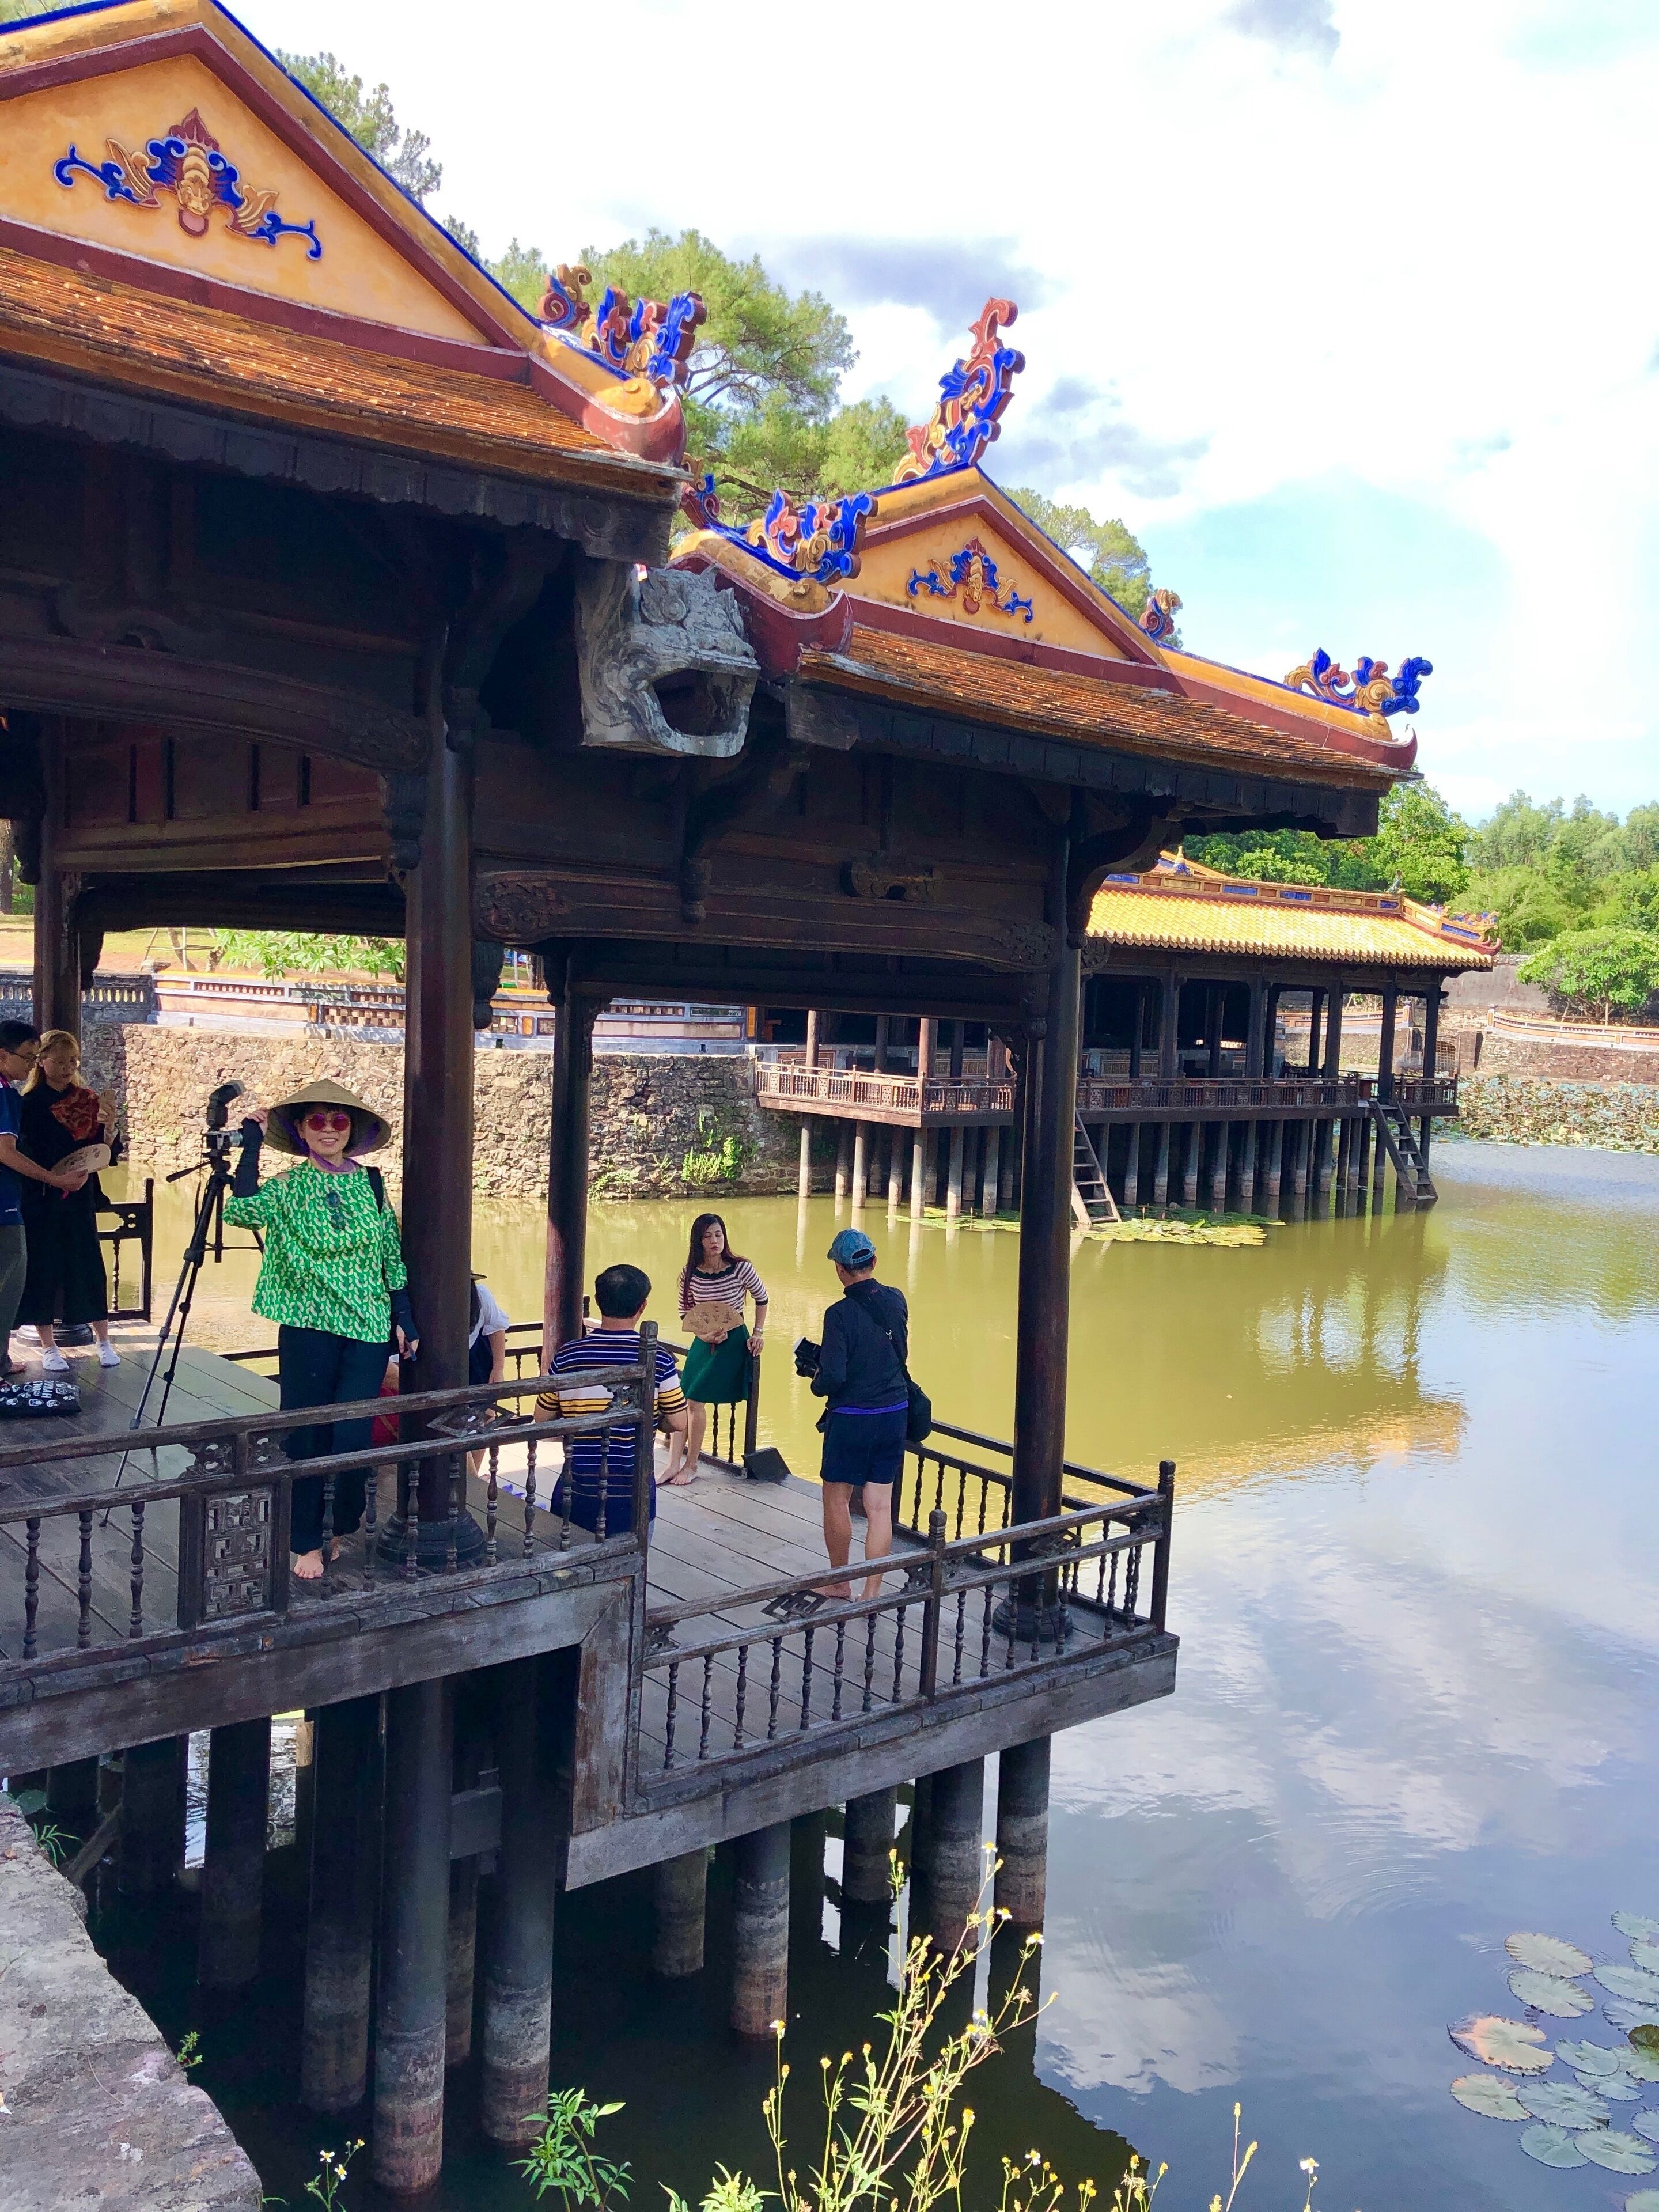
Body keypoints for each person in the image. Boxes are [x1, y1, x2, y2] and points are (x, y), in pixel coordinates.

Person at [224, 1077, 417, 1582]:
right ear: (301, 1131)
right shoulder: (288, 1186)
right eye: (317, 1120)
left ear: (352, 1129)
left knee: (351, 1436)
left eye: (339, 1120)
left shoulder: (372, 1183)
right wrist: (250, 1148)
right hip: (308, 1326)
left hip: (367, 1325)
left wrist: (404, 1317)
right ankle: (305, 1538)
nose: (328, 1129)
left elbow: (390, 1253)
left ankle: (339, 1524)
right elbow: (241, 1212)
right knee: (306, 1433)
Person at [536, 1263, 686, 1537]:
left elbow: (542, 1419)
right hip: (633, 1491)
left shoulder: (568, 1356)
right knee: (631, 1559)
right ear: (643, 1306)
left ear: (598, 1301)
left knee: (570, 1555)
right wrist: (654, 1419)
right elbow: (679, 1422)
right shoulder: (659, 1360)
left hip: (576, 1487)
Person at [804, 1226, 908, 1600]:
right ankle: (872, 1592)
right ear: (874, 1261)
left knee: (836, 1497)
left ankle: (840, 1582)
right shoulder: (897, 1300)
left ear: (839, 1269)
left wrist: (815, 1380)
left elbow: (834, 1376)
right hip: (894, 1412)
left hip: (852, 1418)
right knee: (879, 1506)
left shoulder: (839, 1314)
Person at [16, 1029, 122, 1372]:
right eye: (59, 1061)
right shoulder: (28, 1104)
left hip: (80, 1193)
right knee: (43, 1267)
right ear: (42, 1062)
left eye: (73, 1061)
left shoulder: (87, 1100)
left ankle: (103, 1339)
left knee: (88, 1263)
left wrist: (110, 1128)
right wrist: (52, 1176)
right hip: (43, 1195)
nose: (66, 1068)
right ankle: (48, 1346)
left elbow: (105, 1151)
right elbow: (23, 1153)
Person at [0, 1020, 89, 1380]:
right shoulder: (5, 1094)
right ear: (3, 1056)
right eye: (27, 1057)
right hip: (4, 1206)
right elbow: (6, 1151)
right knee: (8, 1283)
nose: (31, 1064)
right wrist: (55, 1179)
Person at [669, 1212, 767, 1483]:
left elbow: (762, 1298)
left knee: (695, 1398)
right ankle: (673, 1463)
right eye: (707, 1236)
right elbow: (685, 1313)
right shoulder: (689, 1273)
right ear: (698, 1241)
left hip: (733, 1340)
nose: (714, 1241)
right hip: (703, 1339)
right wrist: (704, 1335)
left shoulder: (741, 1268)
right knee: (683, 1396)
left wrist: (758, 1333)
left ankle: (691, 1465)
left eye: (718, 1234)